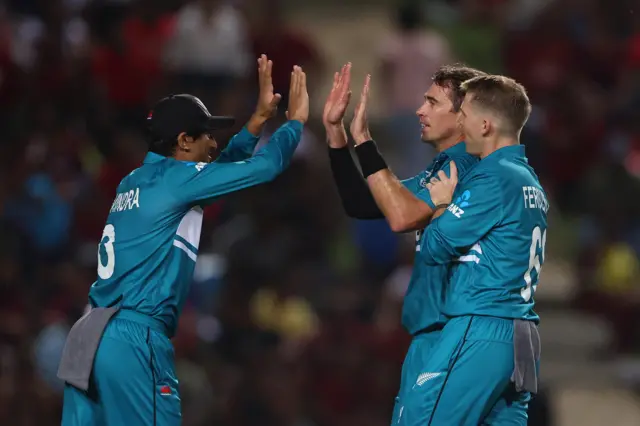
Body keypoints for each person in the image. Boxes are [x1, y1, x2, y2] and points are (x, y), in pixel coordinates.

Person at [58, 55, 309, 426]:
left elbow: (214, 179)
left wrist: (254, 125)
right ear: (183, 140)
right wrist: (295, 124)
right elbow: (266, 167)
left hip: (88, 336)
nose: (212, 142)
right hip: (134, 336)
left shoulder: (134, 182)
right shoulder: (177, 182)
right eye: (205, 134)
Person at [323, 63, 484, 424]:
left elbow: (399, 217)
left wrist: (363, 142)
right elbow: (363, 205)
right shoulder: (443, 172)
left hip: (470, 341)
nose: (419, 111)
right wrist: (337, 136)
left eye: (433, 103)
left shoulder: (481, 175)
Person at [407, 75, 546, 424]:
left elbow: (435, 246)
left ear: (485, 124)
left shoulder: (494, 176)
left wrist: (440, 204)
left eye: (464, 114)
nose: (460, 123)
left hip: (481, 326)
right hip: (520, 334)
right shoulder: (530, 181)